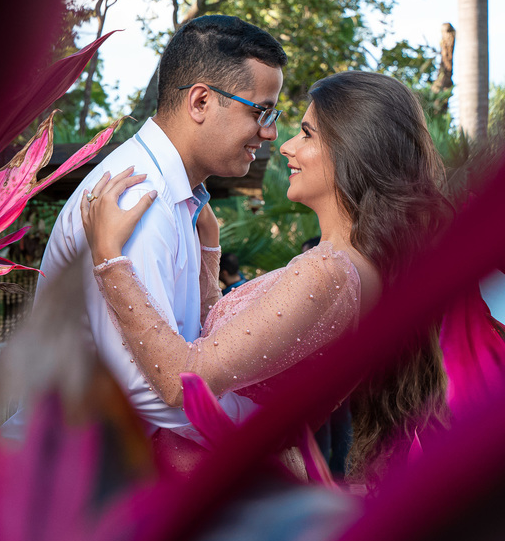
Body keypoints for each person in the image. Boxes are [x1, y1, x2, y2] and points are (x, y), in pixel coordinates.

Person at [80, 70, 448, 479]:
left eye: (307, 134)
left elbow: (185, 383)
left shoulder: (329, 274)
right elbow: (227, 346)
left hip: (215, 478)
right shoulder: (358, 269)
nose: (286, 145)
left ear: (352, 149)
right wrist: (208, 250)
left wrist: (108, 258)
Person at [6, 15, 285, 444]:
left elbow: (178, 350)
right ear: (200, 103)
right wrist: (265, 429)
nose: (269, 132)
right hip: (69, 472)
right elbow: (149, 388)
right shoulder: (139, 198)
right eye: (261, 110)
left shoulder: (175, 197)